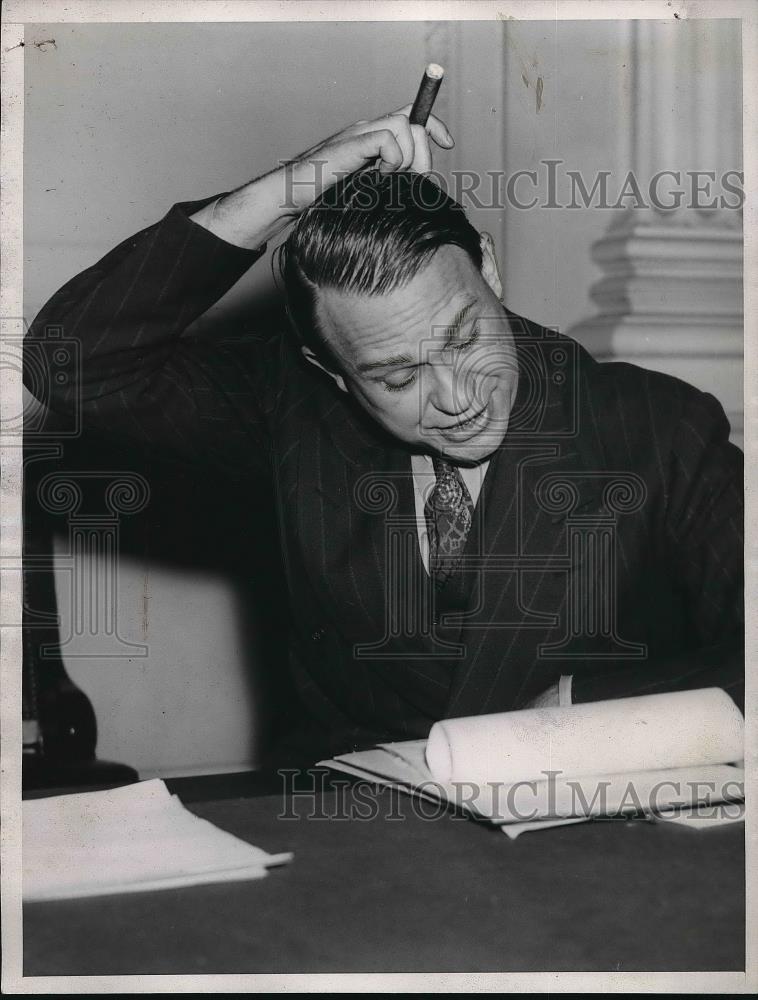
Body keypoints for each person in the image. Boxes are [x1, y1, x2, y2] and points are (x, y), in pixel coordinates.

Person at [26, 108, 744, 764]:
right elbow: (72, 358)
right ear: (330, 370)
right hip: (358, 851)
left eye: (465, 338)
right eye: (396, 378)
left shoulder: (662, 430)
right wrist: (294, 183)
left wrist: (574, 718)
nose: (457, 398)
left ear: (489, 267)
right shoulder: (293, 410)